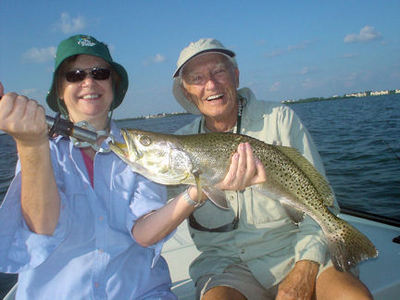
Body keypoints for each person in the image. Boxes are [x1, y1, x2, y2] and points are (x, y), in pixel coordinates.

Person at [0, 35, 264, 300]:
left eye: (100, 73)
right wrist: (32, 146)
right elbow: (42, 228)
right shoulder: (40, 150)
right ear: (59, 89)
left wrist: (198, 190)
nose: (89, 81)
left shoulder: (140, 149)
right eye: (75, 75)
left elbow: (144, 232)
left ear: (113, 86)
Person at [172, 38, 373, 300]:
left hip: (294, 247)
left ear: (235, 75)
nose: (210, 84)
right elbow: (150, 215)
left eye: (218, 71)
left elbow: (323, 202)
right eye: (197, 78)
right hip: (226, 265)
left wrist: (306, 267)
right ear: (187, 92)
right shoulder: (177, 147)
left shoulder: (279, 119)